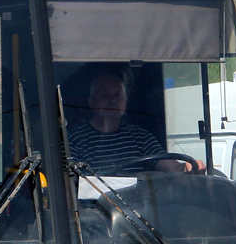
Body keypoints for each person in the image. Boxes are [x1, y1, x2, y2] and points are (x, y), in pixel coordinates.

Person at [67, 67, 202, 176]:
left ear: (125, 101)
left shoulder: (140, 137)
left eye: (118, 95)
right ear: (91, 102)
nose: (113, 100)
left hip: (136, 208)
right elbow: (71, 186)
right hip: (95, 209)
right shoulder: (76, 140)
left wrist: (187, 168)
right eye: (104, 95)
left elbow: (172, 167)